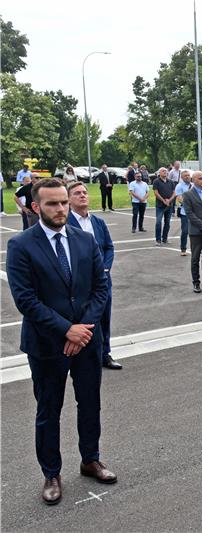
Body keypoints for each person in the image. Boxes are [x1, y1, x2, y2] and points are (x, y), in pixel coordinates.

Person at [6, 178, 116, 506]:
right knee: (49, 410)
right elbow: (26, 299)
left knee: (90, 403)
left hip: (86, 341)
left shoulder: (84, 240)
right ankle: (51, 472)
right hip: (46, 345)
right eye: (53, 204)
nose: (61, 209)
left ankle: (90, 459)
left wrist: (82, 329)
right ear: (36, 207)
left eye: (64, 202)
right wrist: (65, 330)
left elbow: (101, 287)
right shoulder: (22, 245)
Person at [66, 182, 121, 369]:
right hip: (79, 283)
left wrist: (105, 269)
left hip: (102, 281)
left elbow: (108, 247)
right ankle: (82, 355)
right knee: (82, 319)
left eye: (84, 192)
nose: (82, 196)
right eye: (77, 193)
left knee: (104, 318)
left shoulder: (98, 222)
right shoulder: (65, 223)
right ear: (69, 199)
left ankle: (105, 353)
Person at [152, 167, 176, 246]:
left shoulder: (171, 182)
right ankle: (158, 240)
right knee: (158, 222)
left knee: (167, 223)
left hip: (169, 205)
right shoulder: (156, 181)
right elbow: (156, 193)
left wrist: (169, 200)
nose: (165, 172)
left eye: (166, 171)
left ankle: (165, 238)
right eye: (163, 171)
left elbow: (174, 193)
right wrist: (163, 200)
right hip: (160, 206)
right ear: (159, 173)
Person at [175, 171, 192, 256]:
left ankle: (195, 248)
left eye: (188, 175)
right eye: (185, 176)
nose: (187, 177)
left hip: (195, 213)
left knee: (196, 232)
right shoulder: (179, 186)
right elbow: (179, 198)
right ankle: (183, 248)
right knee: (185, 231)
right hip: (185, 212)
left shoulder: (193, 185)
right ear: (182, 177)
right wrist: (190, 204)